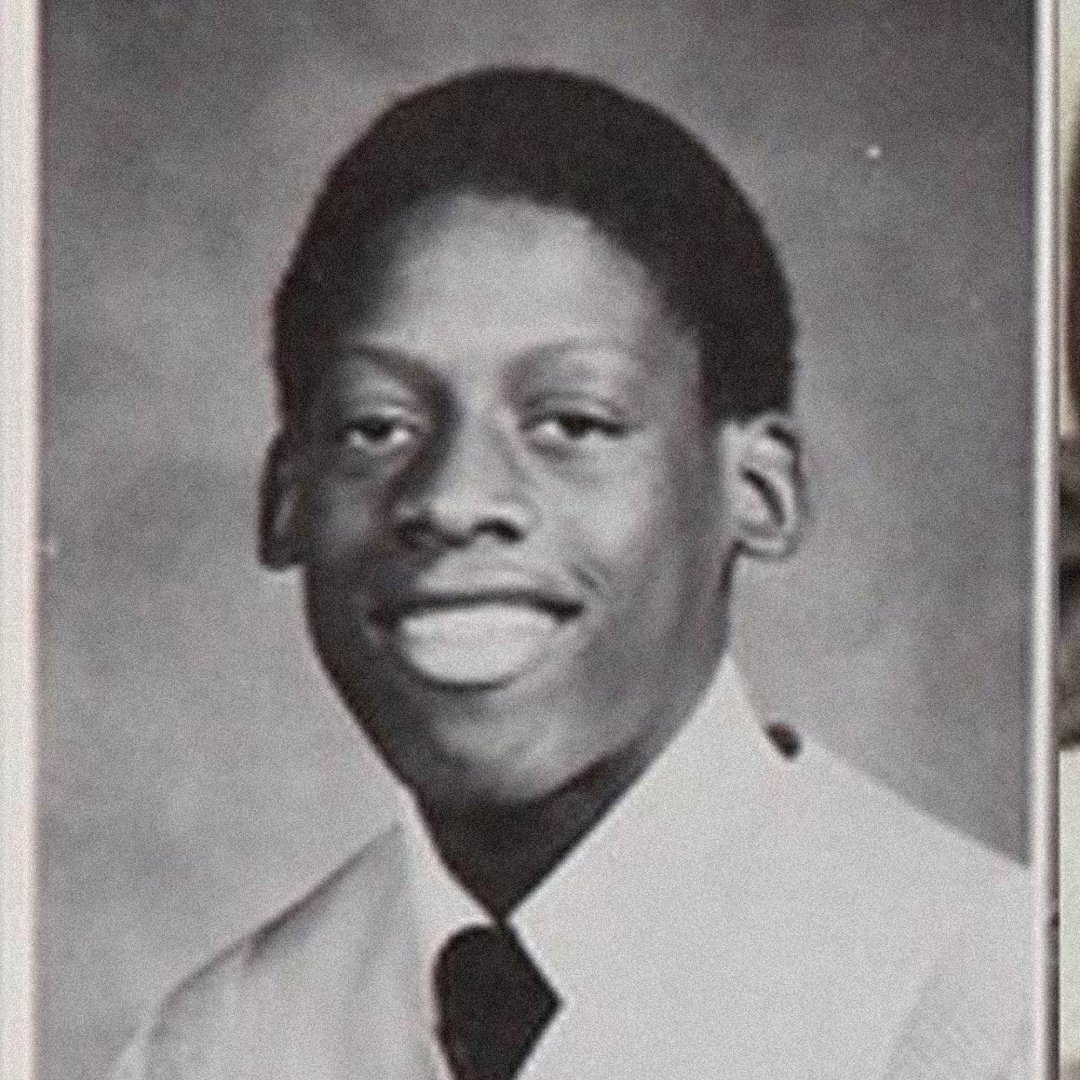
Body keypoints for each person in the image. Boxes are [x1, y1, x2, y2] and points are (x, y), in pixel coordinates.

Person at [112, 67, 1031, 1080]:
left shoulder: (985, 1002)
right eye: (378, 426)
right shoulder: (215, 1044)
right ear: (285, 498)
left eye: (573, 423)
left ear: (757, 490)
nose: (454, 497)